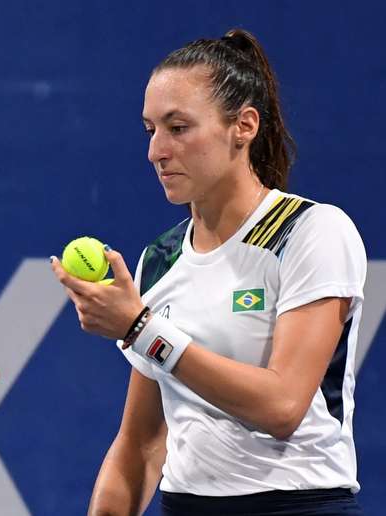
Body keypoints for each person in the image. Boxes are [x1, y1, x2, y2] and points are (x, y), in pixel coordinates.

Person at [51, 29, 366, 515]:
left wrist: (141, 329)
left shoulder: (313, 231)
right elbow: (141, 444)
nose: (157, 150)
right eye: (150, 129)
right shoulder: (160, 257)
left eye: (178, 128)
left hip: (300, 505)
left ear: (243, 126)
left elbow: (282, 407)